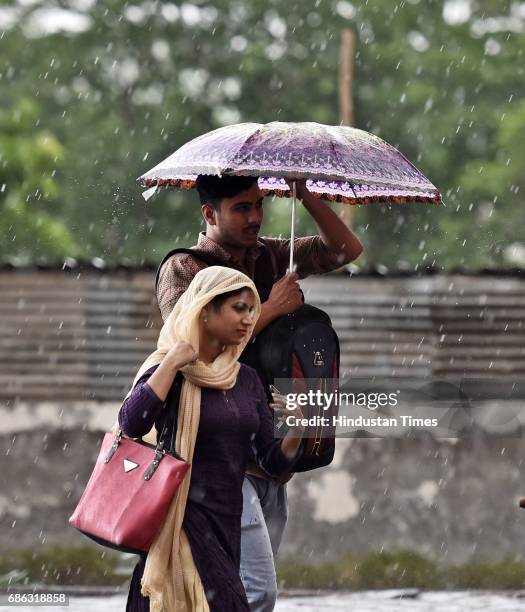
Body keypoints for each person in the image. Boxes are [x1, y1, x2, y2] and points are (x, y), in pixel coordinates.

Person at [156, 175, 363, 611]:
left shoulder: (271, 254)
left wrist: (303, 192)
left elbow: (347, 250)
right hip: (213, 455)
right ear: (209, 214)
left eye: (259, 205)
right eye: (241, 208)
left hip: (270, 454)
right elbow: (190, 348)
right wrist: (271, 308)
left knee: (230, 592)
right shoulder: (186, 269)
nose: (254, 217)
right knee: (253, 591)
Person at [119, 266, 305, 612]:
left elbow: (270, 460)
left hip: (225, 520)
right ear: (206, 310)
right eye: (238, 308)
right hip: (179, 520)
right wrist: (172, 363)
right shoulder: (169, 366)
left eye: (253, 310)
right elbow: (132, 422)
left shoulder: (245, 380)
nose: (248, 319)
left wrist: (296, 430)